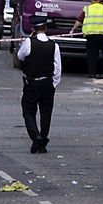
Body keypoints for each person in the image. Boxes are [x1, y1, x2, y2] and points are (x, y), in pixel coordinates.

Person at [16, 15, 62, 154]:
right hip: (48, 83)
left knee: (28, 111)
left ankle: (36, 136)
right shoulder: (54, 45)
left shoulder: (29, 42)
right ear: (46, 28)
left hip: (32, 83)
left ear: (33, 29)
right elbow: (58, 68)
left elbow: (20, 56)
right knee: (46, 113)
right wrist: (53, 83)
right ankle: (42, 140)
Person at [74, 0, 103, 79]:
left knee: (92, 55)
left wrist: (72, 30)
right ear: (100, 0)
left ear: (91, 1)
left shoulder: (87, 9)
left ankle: (92, 73)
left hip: (90, 35)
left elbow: (79, 20)